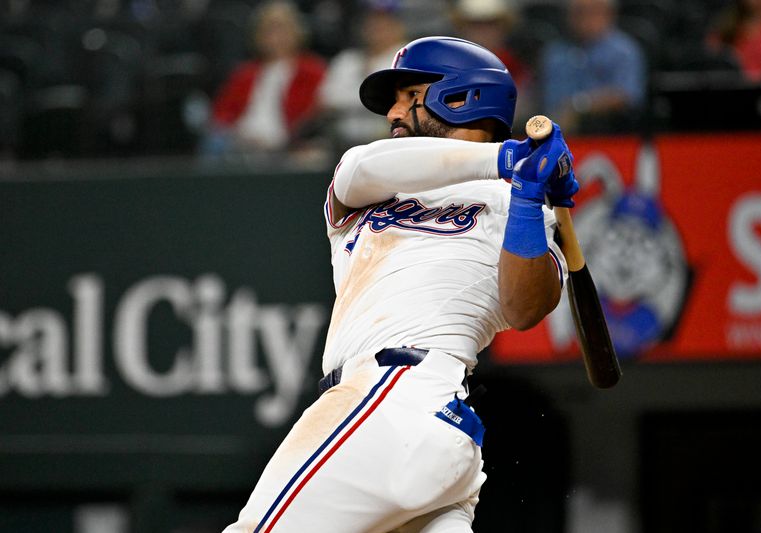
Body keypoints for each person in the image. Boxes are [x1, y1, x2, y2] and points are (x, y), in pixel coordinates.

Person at [223, 36, 579, 533]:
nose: (390, 112)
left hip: (398, 396)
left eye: (405, 95)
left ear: (459, 98)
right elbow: (358, 169)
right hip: (413, 427)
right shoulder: (375, 183)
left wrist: (524, 197)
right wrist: (508, 159)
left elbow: (524, 308)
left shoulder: (518, 208)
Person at [201, 1, 326, 156]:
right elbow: (221, 113)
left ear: (296, 32)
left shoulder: (311, 70)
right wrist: (238, 133)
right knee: (214, 141)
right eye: (268, 30)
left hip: (287, 142)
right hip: (240, 143)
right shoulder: (245, 73)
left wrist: (285, 138)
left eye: (281, 29)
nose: (275, 37)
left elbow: (313, 113)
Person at [539, 0, 646, 135]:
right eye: (578, 12)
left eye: (592, 12)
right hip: (554, 131)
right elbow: (544, 98)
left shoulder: (624, 51)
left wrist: (579, 106)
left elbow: (627, 96)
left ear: (609, 14)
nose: (584, 19)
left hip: (608, 133)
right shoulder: (555, 53)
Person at [318, 0, 407, 150]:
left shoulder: (407, 59)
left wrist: (349, 101)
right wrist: (373, 101)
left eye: (384, 22)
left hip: (392, 143)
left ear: (399, 26)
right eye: (371, 21)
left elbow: (402, 103)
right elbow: (326, 101)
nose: (377, 27)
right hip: (342, 144)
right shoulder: (346, 60)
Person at [450, 0, 535, 131]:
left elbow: (520, 113)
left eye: (490, 24)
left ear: (503, 28)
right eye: (476, 24)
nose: (483, 31)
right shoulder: (448, 65)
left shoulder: (515, 67)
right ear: (463, 28)